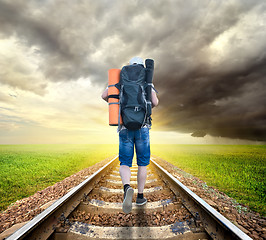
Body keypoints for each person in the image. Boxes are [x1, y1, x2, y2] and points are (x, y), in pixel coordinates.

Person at [101, 57, 159, 213]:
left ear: (129, 65)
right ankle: (140, 197)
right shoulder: (147, 79)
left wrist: (115, 101)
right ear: (141, 65)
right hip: (143, 127)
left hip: (125, 127)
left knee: (125, 162)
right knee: (142, 163)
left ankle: (127, 187)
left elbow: (104, 95)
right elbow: (155, 102)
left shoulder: (121, 77)